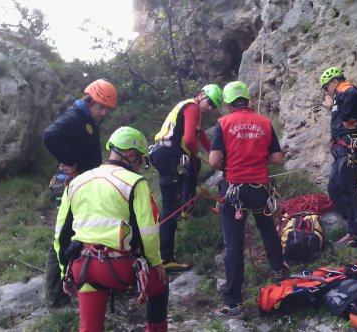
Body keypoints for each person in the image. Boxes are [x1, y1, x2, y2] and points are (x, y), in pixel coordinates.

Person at [53, 126, 168, 332]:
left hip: (83, 266)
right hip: (118, 267)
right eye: (141, 159)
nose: (141, 164)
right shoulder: (135, 183)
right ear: (130, 154)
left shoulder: (77, 182)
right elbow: (148, 233)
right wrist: (155, 263)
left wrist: (64, 273)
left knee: (89, 328)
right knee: (160, 284)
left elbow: (61, 234)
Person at [209, 81, 288, 319]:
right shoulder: (264, 122)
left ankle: (233, 303)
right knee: (267, 230)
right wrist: (256, 156)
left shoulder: (223, 124)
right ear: (247, 100)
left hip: (233, 190)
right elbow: (276, 158)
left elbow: (214, 161)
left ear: (229, 103)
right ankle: (278, 272)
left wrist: (231, 162)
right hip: (260, 189)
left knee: (234, 245)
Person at [41, 78, 118, 307]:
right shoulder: (74, 117)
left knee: (76, 234)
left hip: (82, 185)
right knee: (64, 237)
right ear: (90, 101)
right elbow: (49, 136)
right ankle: (56, 299)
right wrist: (70, 161)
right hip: (72, 185)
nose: (104, 112)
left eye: (107, 109)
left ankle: (74, 283)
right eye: (101, 107)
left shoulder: (84, 119)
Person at [150, 84, 223, 272]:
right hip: (169, 154)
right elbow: (190, 139)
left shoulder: (193, 110)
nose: (210, 108)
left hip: (165, 153)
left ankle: (187, 203)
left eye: (214, 106)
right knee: (169, 208)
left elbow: (202, 139)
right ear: (201, 96)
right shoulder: (193, 107)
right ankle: (166, 258)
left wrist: (214, 153)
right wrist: (195, 153)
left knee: (194, 166)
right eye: (210, 103)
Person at [320, 66, 357, 247]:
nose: (326, 92)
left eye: (326, 88)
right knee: (334, 187)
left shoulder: (348, 91)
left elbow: (347, 116)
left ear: (334, 82)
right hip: (343, 146)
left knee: (347, 186)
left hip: (352, 144)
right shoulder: (340, 96)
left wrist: (332, 103)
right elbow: (341, 120)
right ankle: (355, 228)